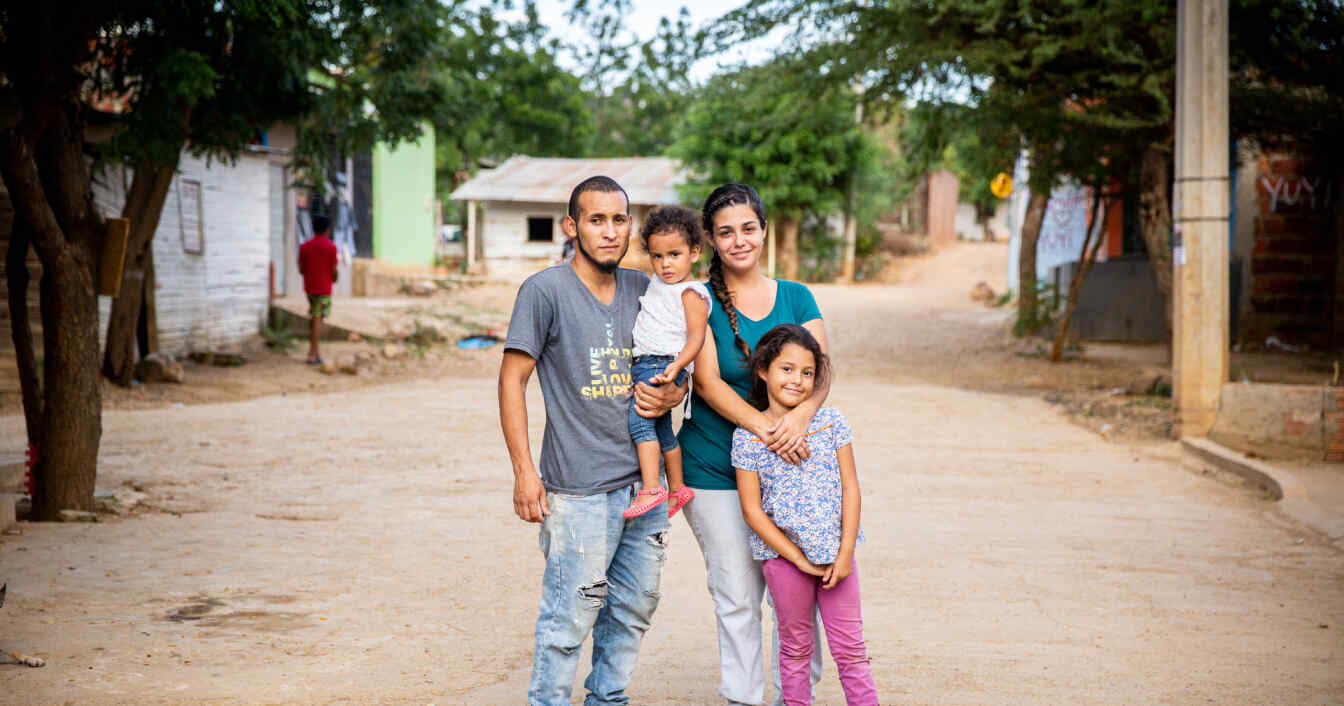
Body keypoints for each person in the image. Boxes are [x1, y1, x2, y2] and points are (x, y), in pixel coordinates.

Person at [498, 175, 688, 706]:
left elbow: (675, 365)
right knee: (570, 615)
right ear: (572, 225)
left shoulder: (646, 290)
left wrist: (675, 392)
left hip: (643, 489)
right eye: (596, 219)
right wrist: (523, 472)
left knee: (634, 607)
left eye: (619, 219)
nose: (609, 231)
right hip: (578, 489)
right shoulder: (545, 291)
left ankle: (608, 699)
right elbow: (512, 379)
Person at [677, 183, 831, 705]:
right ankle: (744, 697)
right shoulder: (698, 299)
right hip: (714, 467)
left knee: (797, 594)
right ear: (712, 241)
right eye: (726, 232)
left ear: (763, 229)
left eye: (748, 228)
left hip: (793, 471)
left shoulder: (797, 296)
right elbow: (708, 381)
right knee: (738, 596)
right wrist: (768, 430)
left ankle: (797, 696)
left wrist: (801, 417)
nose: (739, 240)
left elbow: (821, 371)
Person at [733, 324, 878, 706]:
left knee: (851, 651)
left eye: (807, 372)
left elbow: (851, 488)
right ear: (763, 370)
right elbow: (752, 509)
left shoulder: (831, 423)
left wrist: (845, 553)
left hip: (836, 559)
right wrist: (795, 557)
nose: (797, 380)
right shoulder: (748, 436)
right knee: (795, 650)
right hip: (784, 562)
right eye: (787, 369)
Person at [622, 206, 711, 519]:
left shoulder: (690, 292)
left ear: (695, 253)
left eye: (674, 254)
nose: (665, 264)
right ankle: (677, 488)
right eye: (657, 257)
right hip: (650, 362)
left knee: (639, 421)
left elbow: (696, 338)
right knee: (663, 431)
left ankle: (651, 487)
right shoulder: (660, 284)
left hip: (661, 363)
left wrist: (678, 367)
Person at [297, 213, 338, 365]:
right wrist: (334, 278)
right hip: (324, 288)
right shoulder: (331, 247)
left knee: (315, 316)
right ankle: (312, 354)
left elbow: (301, 269)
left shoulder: (305, 246)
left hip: (309, 288)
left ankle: (316, 352)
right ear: (327, 229)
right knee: (317, 318)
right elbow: (334, 271)